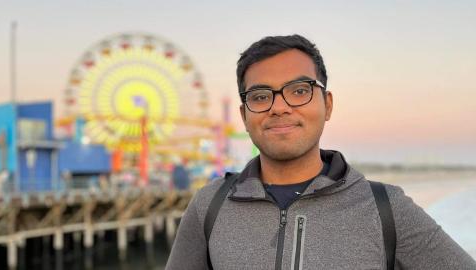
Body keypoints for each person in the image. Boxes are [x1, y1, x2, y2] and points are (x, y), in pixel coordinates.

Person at [165, 35, 476, 270]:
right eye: (260, 96)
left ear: (327, 105)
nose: (280, 107)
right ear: (245, 116)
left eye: (299, 91)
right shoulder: (209, 206)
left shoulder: (386, 209)